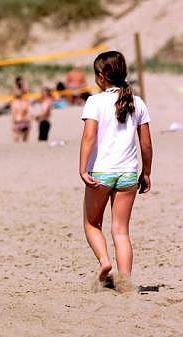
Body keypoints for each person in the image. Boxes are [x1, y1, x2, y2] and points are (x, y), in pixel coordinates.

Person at [79, 51, 152, 287]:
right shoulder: (137, 102)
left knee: (92, 224)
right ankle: (125, 282)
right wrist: (147, 172)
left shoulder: (95, 101)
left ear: (101, 77)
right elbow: (146, 144)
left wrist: (82, 169)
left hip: (101, 172)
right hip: (129, 172)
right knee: (121, 231)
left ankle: (104, 262)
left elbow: (89, 137)